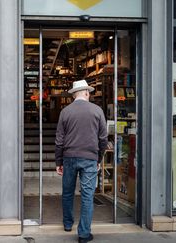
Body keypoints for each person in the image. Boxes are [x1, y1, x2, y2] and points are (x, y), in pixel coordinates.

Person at [55, 80, 107, 243]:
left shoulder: (65, 112)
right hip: (90, 158)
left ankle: (67, 224)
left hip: (69, 157)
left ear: (74, 94)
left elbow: (59, 140)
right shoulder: (97, 110)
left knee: (68, 192)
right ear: (85, 92)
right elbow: (103, 138)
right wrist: (99, 158)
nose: (89, 95)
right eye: (89, 92)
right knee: (87, 195)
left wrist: (59, 161)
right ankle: (84, 234)